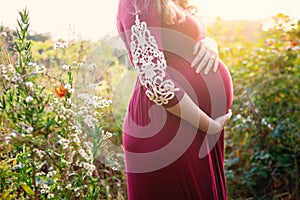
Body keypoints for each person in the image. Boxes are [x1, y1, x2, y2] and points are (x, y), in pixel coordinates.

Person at [117, 0, 233, 199]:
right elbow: (156, 82)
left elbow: (184, 38)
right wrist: (210, 125)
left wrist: (208, 44)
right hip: (167, 127)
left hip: (193, 125)